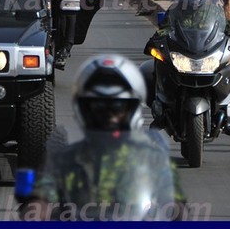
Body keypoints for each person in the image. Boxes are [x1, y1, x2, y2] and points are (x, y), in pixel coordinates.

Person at [23, 55, 184, 221]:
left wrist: (175, 210)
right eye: (99, 107)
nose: (109, 116)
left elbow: (172, 200)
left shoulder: (151, 156)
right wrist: (36, 208)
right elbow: (43, 193)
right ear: (84, 109)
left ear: (132, 109)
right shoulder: (66, 159)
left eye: (117, 107)